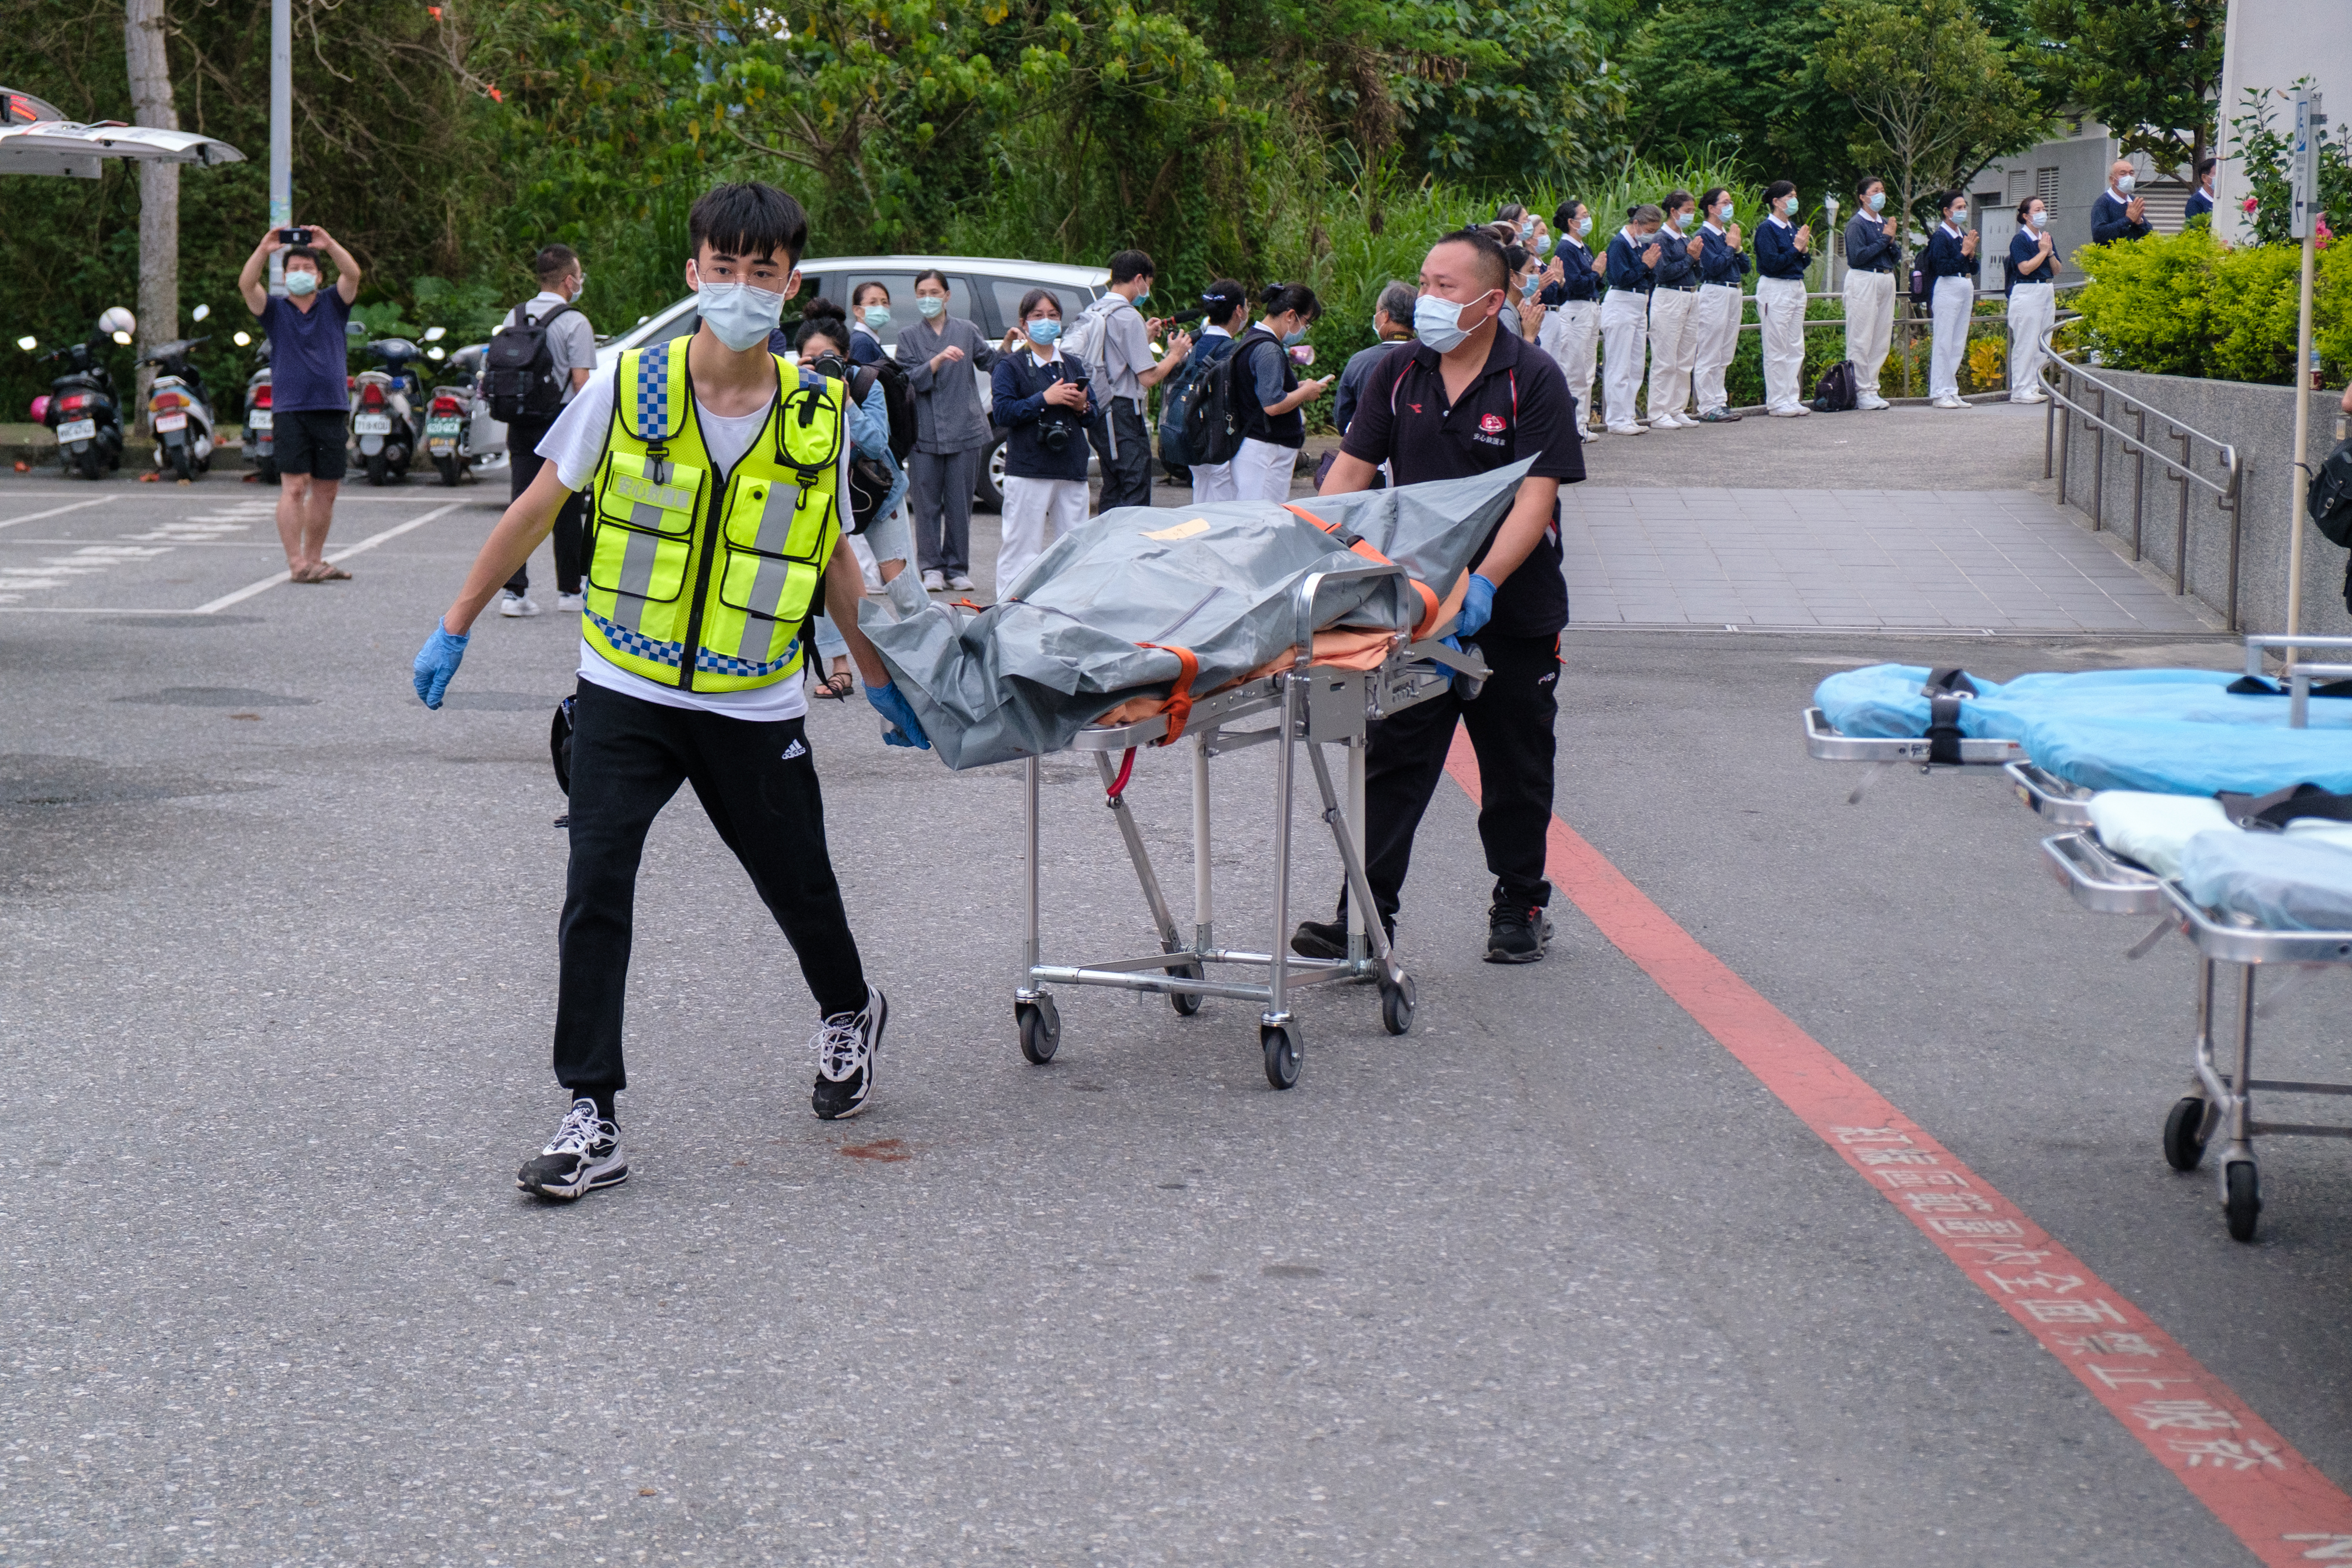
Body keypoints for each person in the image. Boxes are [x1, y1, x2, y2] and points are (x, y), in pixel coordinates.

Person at [406, 181, 930, 1200]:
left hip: (754, 697)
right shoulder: (625, 385)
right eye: (722, 268)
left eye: (762, 273)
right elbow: (536, 506)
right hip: (624, 685)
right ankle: (590, 1111)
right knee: (595, 886)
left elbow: (831, 550)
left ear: (789, 285)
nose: (740, 288)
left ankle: (848, 1008)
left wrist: (877, 679)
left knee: (800, 884)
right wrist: (456, 621)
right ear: (694, 273)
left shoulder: (817, 410)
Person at [1301, 225, 1583, 963]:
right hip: (1418, 610)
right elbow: (1350, 475)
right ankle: (1365, 919)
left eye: (1443, 287)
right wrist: (1305, 549)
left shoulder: (1532, 378)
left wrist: (1485, 581)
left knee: (1516, 767)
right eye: (1424, 283)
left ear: (1489, 302)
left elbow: (1535, 499)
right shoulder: (1399, 372)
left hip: (1510, 611)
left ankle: (1519, 903)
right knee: (1393, 761)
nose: (1424, 297)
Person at [794, 299, 912, 696]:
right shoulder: (793, 386)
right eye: (810, 358)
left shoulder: (865, 384)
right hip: (826, 497)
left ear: (845, 357)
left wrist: (845, 403)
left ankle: (927, 663)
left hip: (877, 496)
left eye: (827, 357)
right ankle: (840, 669)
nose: (819, 364)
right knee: (827, 580)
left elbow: (877, 444)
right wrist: (797, 391)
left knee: (902, 585)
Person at [236, 224, 360, 583]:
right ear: (284, 276)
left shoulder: (334, 304)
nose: (301, 273)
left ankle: (314, 560)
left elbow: (352, 274)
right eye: (294, 269)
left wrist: (330, 243)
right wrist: (264, 249)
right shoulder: (274, 310)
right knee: (294, 487)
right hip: (290, 409)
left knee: (327, 489)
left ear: (320, 276)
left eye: (308, 268)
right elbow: (247, 284)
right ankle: (296, 563)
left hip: (331, 407)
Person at [493, 243, 597, 618]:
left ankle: (514, 593)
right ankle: (570, 591)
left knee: (520, 504)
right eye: (579, 275)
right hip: (561, 421)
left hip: (521, 421)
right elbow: (582, 384)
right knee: (567, 506)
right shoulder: (575, 322)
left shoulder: (515, 314)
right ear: (569, 280)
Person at [896, 269, 1012, 593]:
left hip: (966, 429)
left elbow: (992, 364)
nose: (928, 299)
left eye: (934, 293)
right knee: (926, 504)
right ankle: (931, 568)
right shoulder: (908, 336)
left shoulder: (966, 330)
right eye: (922, 293)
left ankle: (957, 567)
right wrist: (937, 361)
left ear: (947, 296)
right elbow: (906, 380)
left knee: (960, 504)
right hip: (924, 431)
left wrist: (1006, 345)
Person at [991, 289, 1097, 595]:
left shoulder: (1073, 365)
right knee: (1021, 550)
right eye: (1038, 316)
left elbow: (1094, 414)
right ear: (1023, 323)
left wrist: (1082, 407)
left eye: (1053, 316)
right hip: (1029, 469)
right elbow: (1003, 413)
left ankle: (1070, 607)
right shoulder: (1011, 366)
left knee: (1075, 549)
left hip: (1071, 468)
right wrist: (1044, 399)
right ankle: (1009, 609)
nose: (1046, 322)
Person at [1074, 249, 1191, 511]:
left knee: (1114, 483)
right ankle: (1126, 537)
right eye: (1148, 284)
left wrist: (1144, 336)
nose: (1147, 290)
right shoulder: (1128, 316)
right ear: (1139, 279)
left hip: (1101, 408)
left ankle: (1107, 536)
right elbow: (1149, 377)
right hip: (1121, 411)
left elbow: (1113, 356)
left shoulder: (1097, 309)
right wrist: (1175, 354)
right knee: (1134, 483)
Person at [1230, 283, 1331, 502]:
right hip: (1264, 449)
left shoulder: (1254, 338)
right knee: (1264, 517)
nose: (1305, 330)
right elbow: (1273, 405)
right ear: (1291, 316)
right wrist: (1305, 393)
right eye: (1306, 323)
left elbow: (1261, 391)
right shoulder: (1269, 349)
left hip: (1258, 446)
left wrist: (1298, 388)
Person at [1167, 280, 1248, 500]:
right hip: (1219, 438)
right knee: (1221, 503)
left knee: (1201, 494)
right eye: (1246, 306)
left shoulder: (1193, 344)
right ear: (1239, 310)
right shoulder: (1233, 350)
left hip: (1192, 431)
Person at [1537, 200, 1604, 440]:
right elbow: (1575, 284)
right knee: (1575, 368)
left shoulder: (1583, 247)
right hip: (1576, 310)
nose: (1588, 219)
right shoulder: (1566, 249)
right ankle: (1572, 425)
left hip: (1590, 308)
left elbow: (1593, 281)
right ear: (1572, 222)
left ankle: (1582, 424)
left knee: (1587, 369)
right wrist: (1596, 273)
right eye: (1583, 215)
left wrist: (1595, 275)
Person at [1599, 205, 1664, 436]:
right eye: (1650, 230)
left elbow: (1650, 275)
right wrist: (1645, 265)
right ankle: (1616, 418)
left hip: (1639, 303)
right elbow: (1620, 277)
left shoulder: (1641, 245)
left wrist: (1649, 267)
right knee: (1619, 364)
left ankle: (1628, 414)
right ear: (1636, 224)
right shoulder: (1620, 244)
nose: (1651, 235)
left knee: (1636, 364)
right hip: (1621, 303)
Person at [1645, 190, 1705, 429]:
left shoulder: (1685, 238)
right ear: (1673, 211)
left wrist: (1696, 260)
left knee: (1685, 357)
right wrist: (1690, 258)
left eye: (1693, 211)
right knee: (1665, 357)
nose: (1691, 215)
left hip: (1690, 295)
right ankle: (1658, 411)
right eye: (1687, 211)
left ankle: (1676, 407)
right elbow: (1663, 273)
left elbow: (1696, 272)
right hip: (1669, 296)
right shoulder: (1661, 238)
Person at [1754, 180, 1812, 417]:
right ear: (1776, 202)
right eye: (1790, 196)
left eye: (1795, 195)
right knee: (1776, 346)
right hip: (1775, 288)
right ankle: (1777, 401)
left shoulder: (1792, 227)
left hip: (1796, 287)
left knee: (1795, 346)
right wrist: (1796, 249)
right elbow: (1772, 263)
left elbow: (1803, 262)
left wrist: (1803, 250)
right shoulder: (1767, 229)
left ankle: (1791, 397)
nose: (1794, 200)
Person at [1842, 177, 1900, 411]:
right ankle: (1859, 389)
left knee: (1881, 337)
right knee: (1861, 336)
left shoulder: (1884, 223)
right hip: (1864, 278)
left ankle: (1872, 387)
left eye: (1883, 190)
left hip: (1886, 278)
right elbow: (1857, 257)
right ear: (1863, 197)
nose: (1881, 195)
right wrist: (1885, 239)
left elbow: (1894, 257)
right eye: (1875, 191)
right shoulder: (1857, 224)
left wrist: (1891, 242)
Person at [1690, 187, 1748, 423]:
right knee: (1710, 348)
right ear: (1712, 208)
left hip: (1734, 291)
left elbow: (1745, 267)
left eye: (1730, 202)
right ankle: (1707, 405)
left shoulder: (1727, 235)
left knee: (1725, 350)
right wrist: (1730, 247)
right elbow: (1714, 266)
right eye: (1725, 203)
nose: (1730, 206)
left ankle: (1719, 400)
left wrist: (1737, 247)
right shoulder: (1703, 235)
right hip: (1715, 291)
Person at [1334, 280, 1417, 439]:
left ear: (1385, 316)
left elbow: (1343, 418)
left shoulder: (1360, 361)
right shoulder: (1434, 357)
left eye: (1377, 313)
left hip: (1369, 448)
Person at [1923, 190, 1980, 410]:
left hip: (1965, 284)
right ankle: (1939, 392)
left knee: (1958, 342)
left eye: (1964, 207)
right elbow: (1943, 267)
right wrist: (1964, 253)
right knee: (1944, 341)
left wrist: (1971, 255)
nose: (1963, 211)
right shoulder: (1940, 237)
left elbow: (1974, 268)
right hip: (1947, 287)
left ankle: (1951, 389)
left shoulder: (1962, 235)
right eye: (1958, 208)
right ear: (1947, 211)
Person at [2006, 195, 2060, 404]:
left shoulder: (2045, 238)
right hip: (2027, 291)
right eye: (2037, 210)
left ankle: (2033, 386)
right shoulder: (2020, 239)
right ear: (2026, 216)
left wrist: (2050, 253)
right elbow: (2025, 268)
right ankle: (2020, 389)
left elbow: (2057, 269)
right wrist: (2043, 253)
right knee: (2026, 342)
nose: (2042, 213)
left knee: (2043, 341)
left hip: (2046, 288)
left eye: (2044, 209)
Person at [2092, 159, 2153, 245]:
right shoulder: (2103, 202)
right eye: (2123, 174)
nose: (2129, 177)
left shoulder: (2133, 201)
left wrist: (2140, 222)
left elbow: (2149, 233)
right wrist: (2128, 219)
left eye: (2131, 173)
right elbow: (2099, 235)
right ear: (2112, 180)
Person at [848, 280, 891, 366]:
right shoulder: (863, 343)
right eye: (873, 303)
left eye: (884, 302)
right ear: (857, 310)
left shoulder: (867, 340)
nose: (880, 308)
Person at [2187, 157, 2218, 222]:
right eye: (2216, 174)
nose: (2219, 178)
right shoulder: (2195, 202)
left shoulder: (2222, 200)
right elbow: (2195, 226)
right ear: (2204, 178)